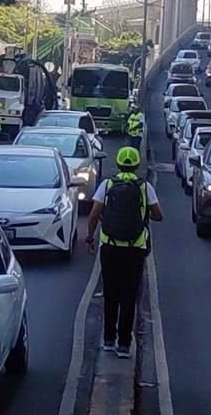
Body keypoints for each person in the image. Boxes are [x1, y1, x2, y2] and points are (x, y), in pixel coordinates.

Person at [85, 146, 164, 359]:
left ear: (118, 163)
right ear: (137, 165)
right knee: (129, 296)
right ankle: (124, 344)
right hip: (135, 249)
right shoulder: (145, 187)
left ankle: (108, 339)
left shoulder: (107, 185)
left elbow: (93, 215)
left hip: (109, 247)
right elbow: (158, 216)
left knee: (110, 294)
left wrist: (90, 238)